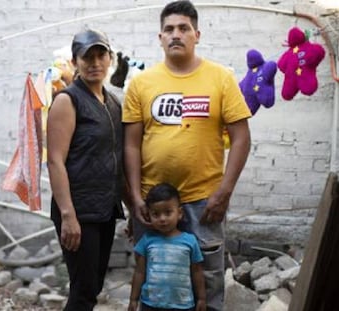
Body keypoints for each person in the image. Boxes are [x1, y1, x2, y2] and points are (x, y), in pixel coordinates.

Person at [122, 1, 251, 310]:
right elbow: (130, 145)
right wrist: (135, 199)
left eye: (183, 28)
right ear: (160, 37)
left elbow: (242, 138)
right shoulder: (141, 83)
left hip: (204, 203)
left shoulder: (220, 78)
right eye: (169, 29)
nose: (176, 35)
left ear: (197, 34)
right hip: (153, 206)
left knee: (206, 283)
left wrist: (224, 192)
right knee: (155, 281)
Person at [47, 28, 124, 311]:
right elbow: (55, 160)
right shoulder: (68, 101)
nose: (94, 63)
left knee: (92, 288)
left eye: (100, 55)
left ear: (110, 58)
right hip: (77, 210)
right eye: (86, 56)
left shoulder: (113, 102)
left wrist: (128, 203)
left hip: (104, 208)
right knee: (83, 293)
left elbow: (116, 159)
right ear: (75, 61)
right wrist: (68, 216)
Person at [128, 183, 206, 311]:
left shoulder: (190, 241)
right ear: (149, 215)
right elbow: (140, 272)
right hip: (151, 304)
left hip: (182, 304)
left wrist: (202, 298)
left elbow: (197, 271)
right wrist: (133, 299)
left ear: (179, 213)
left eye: (168, 212)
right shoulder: (147, 241)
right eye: (156, 214)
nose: (162, 219)